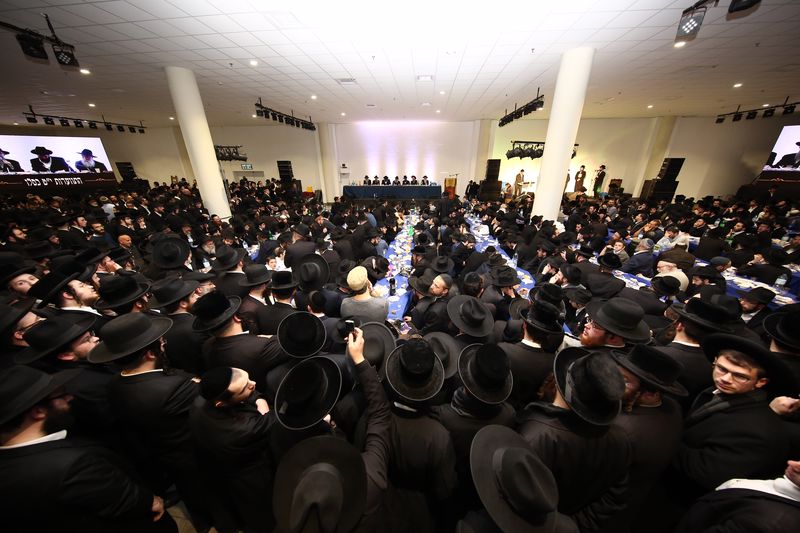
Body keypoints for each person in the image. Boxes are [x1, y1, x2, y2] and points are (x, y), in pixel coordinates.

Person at [0, 365, 177, 532]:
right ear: (39, 411)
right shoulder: (73, 464)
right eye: (61, 395)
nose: (69, 398)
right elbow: (128, 502)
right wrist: (150, 501)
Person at [517, 347, 630, 532]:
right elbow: (613, 499)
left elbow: (518, 496)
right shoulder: (621, 440)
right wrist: (572, 525)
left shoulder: (537, 436)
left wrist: (557, 526)